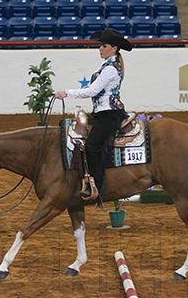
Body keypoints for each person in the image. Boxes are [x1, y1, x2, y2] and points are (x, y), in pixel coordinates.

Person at [55, 28, 132, 202]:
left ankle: (96, 186)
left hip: (109, 114)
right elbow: (97, 89)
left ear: (114, 48)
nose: (100, 49)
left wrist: (67, 92)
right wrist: (87, 89)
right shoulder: (107, 66)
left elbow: (94, 90)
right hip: (103, 112)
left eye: (104, 46)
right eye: (100, 46)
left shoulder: (110, 69)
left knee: (92, 146)